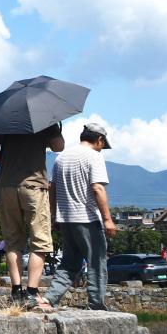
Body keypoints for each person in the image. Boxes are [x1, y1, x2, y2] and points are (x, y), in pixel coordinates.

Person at [34, 123, 116, 312]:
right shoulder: (94, 157)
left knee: (69, 263)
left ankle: (49, 299)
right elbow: (97, 188)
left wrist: (54, 216)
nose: (102, 148)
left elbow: (52, 189)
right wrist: (108, 219)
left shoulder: (62, 157)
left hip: (65, 219)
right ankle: (96, 305)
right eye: (103, 144)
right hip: (87, 219)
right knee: (96, 262)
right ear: (99, 140)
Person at [0, 124, 65, 307]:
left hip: (6, 186)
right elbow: (59, 146)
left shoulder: (2, 117)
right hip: (34, 185)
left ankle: (16, 291)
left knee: (12, 240)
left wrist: (5, 162)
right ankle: (31, 292)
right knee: (40, 240)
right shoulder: (44, 117)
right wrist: (56, 128)